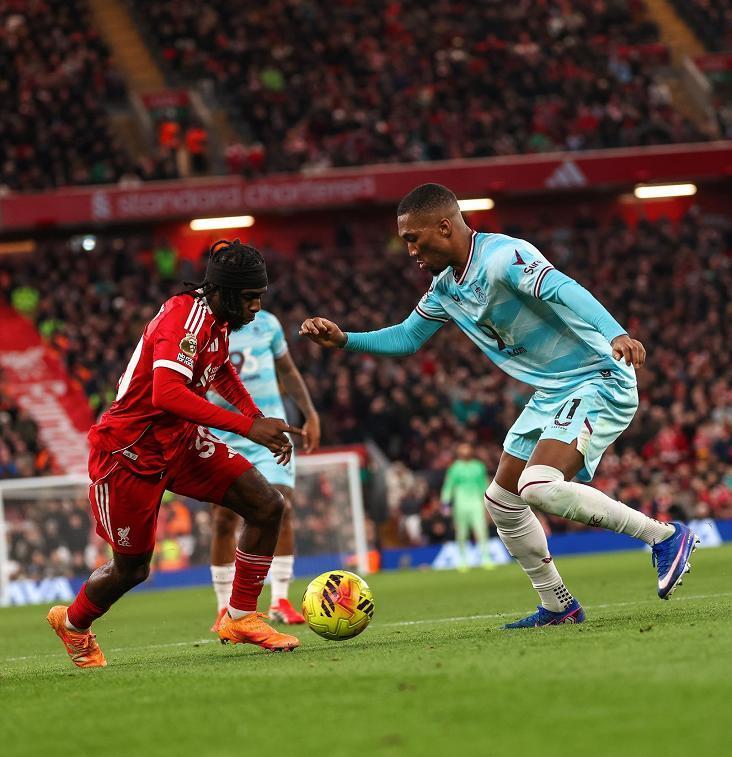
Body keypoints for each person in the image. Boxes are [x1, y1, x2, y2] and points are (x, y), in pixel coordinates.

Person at [300, 183, 699, 629]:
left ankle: (664, 536)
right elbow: (408, 337)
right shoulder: (445, 288)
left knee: (539, 486)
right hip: (552, 392)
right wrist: (345, 339)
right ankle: (558, 604)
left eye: (413, 238)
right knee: (502, 501)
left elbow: (563, 288)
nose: (409, 250)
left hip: (597, 377)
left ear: (444, 227)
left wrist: (616, 333)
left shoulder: (502, 257)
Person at [47, 239, 304, 668]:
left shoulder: (219, 320)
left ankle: (240, 617)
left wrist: (255, 416)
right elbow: (165, 393)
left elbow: (220, 369)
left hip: (181, 442)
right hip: (129, 454)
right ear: (223, 292)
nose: (256, 306)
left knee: (267, 505)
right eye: (249, 297)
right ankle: (72, 624)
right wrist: (247, 427)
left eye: (260, 296)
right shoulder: (183, 318)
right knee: (132, 569)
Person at [208, 308, 321, 629]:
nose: (255, 303)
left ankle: (280, 599)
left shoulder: (268, 323)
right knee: (223, 518)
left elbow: (288, 370)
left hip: (269, 432)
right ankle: (223, 607)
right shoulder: (205, 328)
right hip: (223, 434)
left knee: (281, 506)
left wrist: (310, 413)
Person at [441, 443, 494, 571]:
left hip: (476, 503)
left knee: (481, 530)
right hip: (460, 503)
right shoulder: (455, 468)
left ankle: (486, 558)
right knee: (461, 532)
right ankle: (462, 560)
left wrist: (488, 502)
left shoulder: (478, 466)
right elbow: (449, 485)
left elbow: (483, 485)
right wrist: (445, 502)